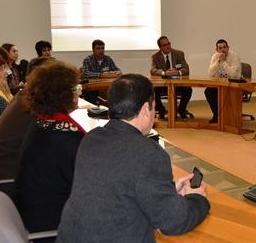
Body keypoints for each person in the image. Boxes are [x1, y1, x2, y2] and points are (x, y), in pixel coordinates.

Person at [57, 74, 210, 242]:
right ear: (146, 109)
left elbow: (121, 189)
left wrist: (169, 191)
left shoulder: (91, 138)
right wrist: (196, 198)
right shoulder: (148, 152)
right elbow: (173, 223)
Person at [16, 60, 86, 233]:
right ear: (62, 95)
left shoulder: (40, 123)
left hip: (34, 213)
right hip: (55, 223)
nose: (78, 93)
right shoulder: (68, 137)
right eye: (75, 89)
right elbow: (89, 186)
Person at [0, 57, 51, 181]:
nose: (6, 72)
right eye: (1, 69)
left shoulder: (24, 95)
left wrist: (8, 93)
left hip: (3, 160)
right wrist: (8, 94)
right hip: (8, 168)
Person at [150, 36, 193, 120]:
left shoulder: (179, 54)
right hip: (163, 85)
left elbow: (186, 69)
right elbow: (153, 70)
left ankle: (181, 110)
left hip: (177, 84)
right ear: (160, 47)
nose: (168, 46)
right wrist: (164, 72)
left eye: (168, 43)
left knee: (188, 90)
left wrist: (178, 72)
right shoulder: (155, 56)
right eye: (165, 45)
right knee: (153, 90)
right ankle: (161, 110)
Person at [204, 39, 241, 123]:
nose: (223, 50)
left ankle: (228, 117)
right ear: (217, 50)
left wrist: (223, 62)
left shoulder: (235, 57)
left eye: (224, 47)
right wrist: (218, 61)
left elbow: (234, 75)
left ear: (228, 48)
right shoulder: (215, 56)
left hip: (234, 85)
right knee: (208, 91)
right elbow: (210, 73)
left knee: (224, 92)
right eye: (220, 48)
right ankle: (217, 115)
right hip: (220, 84)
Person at [81, 39, 122, 104]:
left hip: (105, 87)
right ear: (93, 50)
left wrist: (116, 73)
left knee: (117, 89)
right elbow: (85, 74)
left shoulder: (108, 59)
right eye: (98, 48)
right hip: (93, 88)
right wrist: (101, 75)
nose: (101, 50)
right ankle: (93, 110)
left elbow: (117, 70)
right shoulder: (88, 60)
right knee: (91, 94)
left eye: (102, 48)